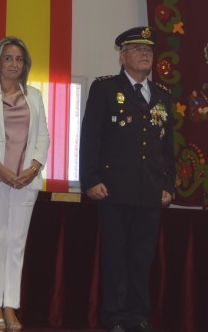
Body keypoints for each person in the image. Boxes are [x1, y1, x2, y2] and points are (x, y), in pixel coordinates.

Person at [80, 26, 175, 332]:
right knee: (116, 256)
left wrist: (168, 185)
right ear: (122, 56)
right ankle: (116, 317)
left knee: (142, 257)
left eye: (148, 50)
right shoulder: (105, 90)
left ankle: (139, 316)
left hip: (149, 192)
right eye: (137, 49)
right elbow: (90, 138)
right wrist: (90, 179)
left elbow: (167, 147)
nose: (145, 54)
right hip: (113, 190)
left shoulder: (162, 96)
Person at [0, 37, 50, 332]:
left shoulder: (35, 96)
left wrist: (33, 168)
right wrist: (0, 168)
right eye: (8, 58)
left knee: (16, 243)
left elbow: (44, 137)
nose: (14, 63)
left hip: (25, 180)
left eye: (18, 59)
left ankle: (11, 307)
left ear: (24, 64)